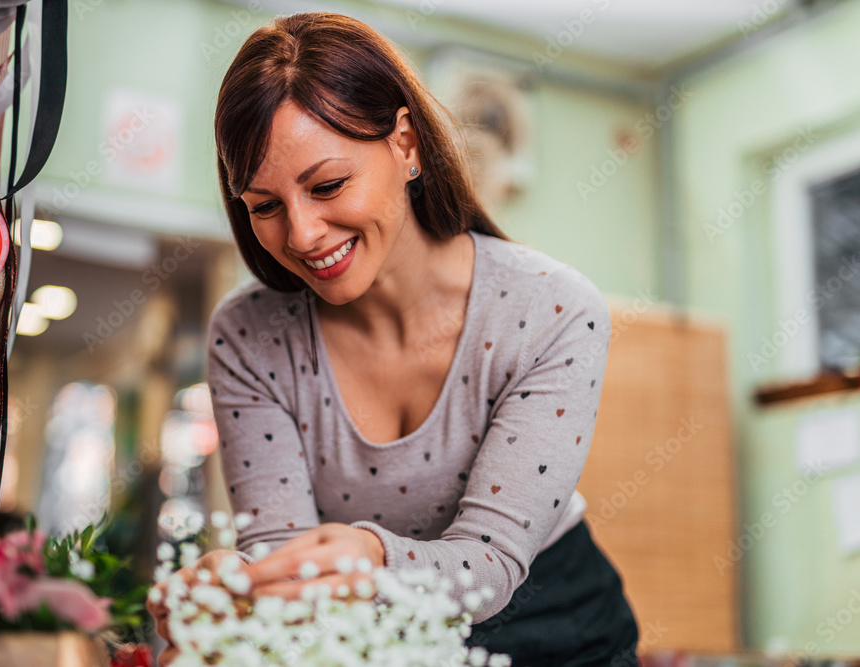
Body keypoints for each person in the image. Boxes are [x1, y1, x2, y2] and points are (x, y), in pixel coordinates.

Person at [148, 11, 640, 666]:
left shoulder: (551, 310)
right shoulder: (249, 336)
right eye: (264, 205)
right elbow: (284, 556)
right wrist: (237, 587)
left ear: (405, 144)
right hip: (374, 636)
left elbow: (490, 564)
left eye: (327, 185)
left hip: (558, 625)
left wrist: (371, 555)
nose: (302, 235)